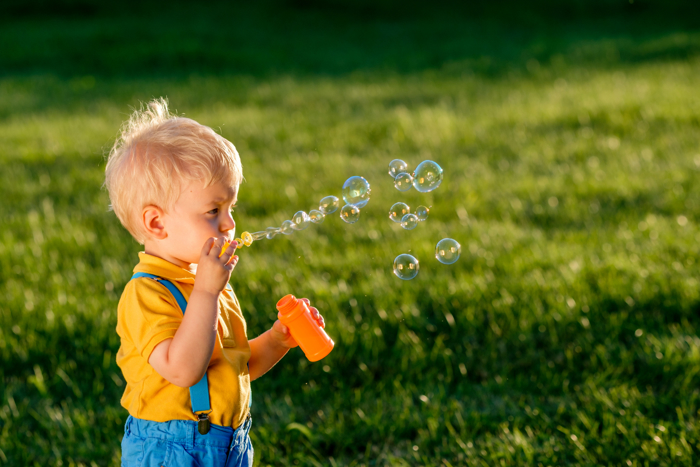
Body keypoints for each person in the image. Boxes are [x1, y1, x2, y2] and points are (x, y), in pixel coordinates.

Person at [104, 98, 324, 466]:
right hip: (170, 449)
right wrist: (207, 291)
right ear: (157, 224)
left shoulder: (208, 285)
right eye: (213, 211)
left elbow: (232, 367)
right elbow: (183, 369)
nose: (228, 225)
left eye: (230, 208)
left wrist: (277, 340)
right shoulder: (146, 293)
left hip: (229, 443)